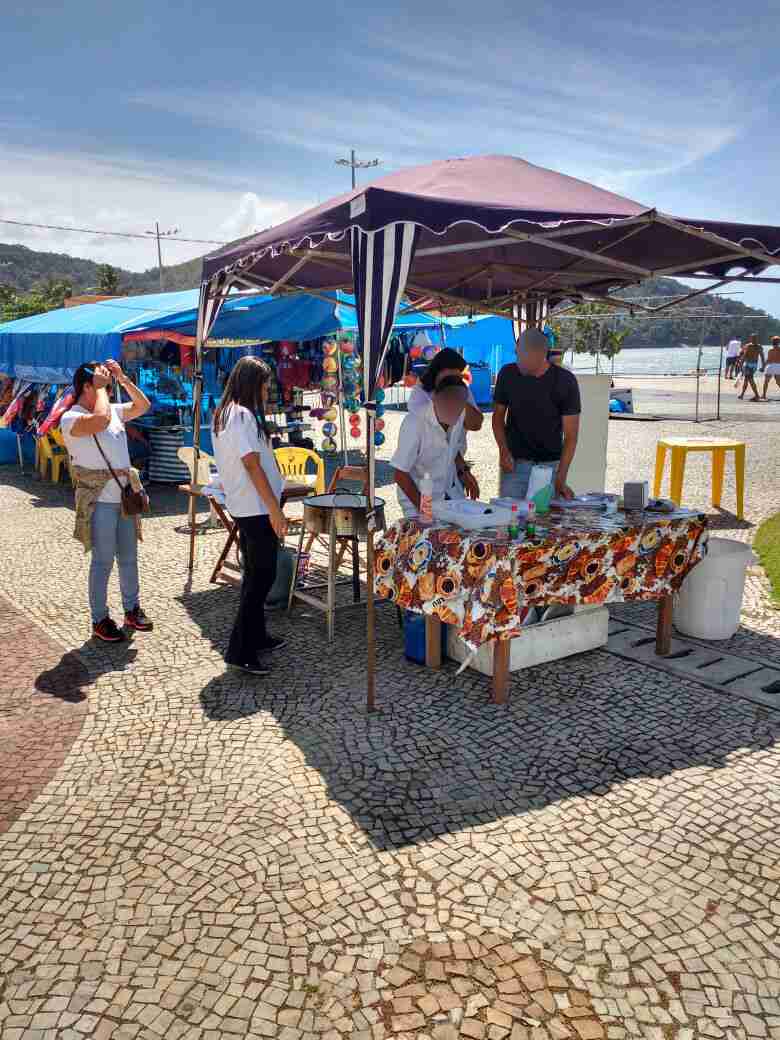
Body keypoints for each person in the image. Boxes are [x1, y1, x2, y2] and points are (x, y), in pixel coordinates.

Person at [61, 360, 153, 643]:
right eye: (102, 386)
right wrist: (102, 388)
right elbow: (99, 421)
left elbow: (143, 406)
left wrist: (123, 379)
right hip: (98, 500)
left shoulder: (111, 410)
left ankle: (131, 608)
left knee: (128, 558)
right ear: (86, 387)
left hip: (123, 497)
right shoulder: (70, 419)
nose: (109, 391)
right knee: (102, 561)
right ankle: (99, 619)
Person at [211, 356, 288, 676]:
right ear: (252, 384)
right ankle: (240, 650)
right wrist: (274, 509)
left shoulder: (226, 413)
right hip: (256, 507)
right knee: (261, 577)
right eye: (265, 384)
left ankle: (256, 636)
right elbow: (251, 463)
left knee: (256, 573)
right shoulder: (241, 415)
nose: (268, 390)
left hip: (246, 505)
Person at [492, 327, 581, 500]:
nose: (518, 360)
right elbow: (497, 418)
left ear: (541, 353)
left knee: (545, 523)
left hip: (550, 468)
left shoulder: (565, 381)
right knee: (510, 520)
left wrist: (561, 478)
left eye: (523, 356)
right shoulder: (507, 374)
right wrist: (503, 450)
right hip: (515, 466)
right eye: (517, 354)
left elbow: (571, 436)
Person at [392, 376, 479, 516]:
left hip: (449, 494)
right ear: (435, 399)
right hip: (417, 500)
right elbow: (400, 474)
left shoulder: (459, 413)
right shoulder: (414, 423)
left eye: (459, 403)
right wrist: (425, 510)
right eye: (449, 402)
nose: (454, 409)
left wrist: (464, 471)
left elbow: (449, 446)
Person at [407, 347, 484, 431]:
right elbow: (436, 420)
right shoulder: (421, 391)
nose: (451, 382)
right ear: (436, 374)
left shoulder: (460, 389)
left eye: (456, 378)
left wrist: (461, 399)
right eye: (448, 378)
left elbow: (476, 425)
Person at [738, 334, 765, 402]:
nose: (754, 340)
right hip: (754, 365)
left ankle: (757, 395)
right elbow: (762, 357)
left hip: (749, 365)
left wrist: (740, 364)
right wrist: (763, 366)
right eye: (753, 338)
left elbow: (744, 356)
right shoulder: (759, 346)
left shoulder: (748, 346)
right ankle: (742, 394)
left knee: (750, 379)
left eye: (755, 338)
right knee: (746, 379)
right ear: (751, 339)